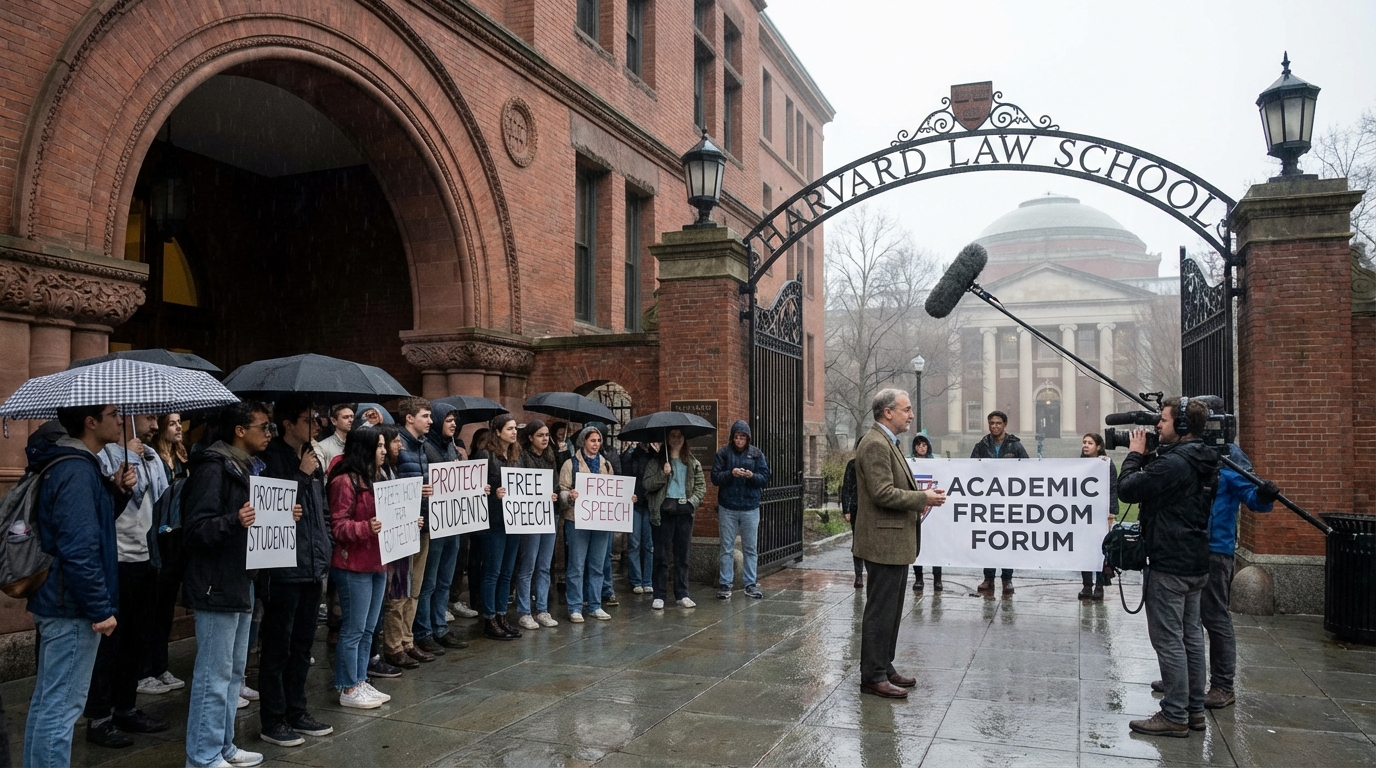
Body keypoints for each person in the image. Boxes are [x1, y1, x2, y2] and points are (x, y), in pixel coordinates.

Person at [182, 401, 301, 768]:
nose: (269, 434)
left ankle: (224, 746)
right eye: (263, 427)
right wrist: (235, 520)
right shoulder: (213, 469)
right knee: (213, 675)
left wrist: (283, 514)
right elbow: (197, 528)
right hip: (216, 583)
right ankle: (202, 756)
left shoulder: (246, 468)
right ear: (239, 430)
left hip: (240, 579)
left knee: (233, 673)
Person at [23, 404, 134, 767]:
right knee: (61, 708)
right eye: (114, 413)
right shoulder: (76, 470)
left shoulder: (77, 467)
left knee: (48, 704)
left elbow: (89, 530)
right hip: (70, 606)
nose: (121, 420)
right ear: (90, 422)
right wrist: (100, 609)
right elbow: (79, 548)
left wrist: (116, 492)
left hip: (61, 602)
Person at [1151, 418, 1276, 710]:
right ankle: (1183, 680)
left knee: (1214, 618)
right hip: (1187, 547)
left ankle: (1222, 684)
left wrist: (1264, 495)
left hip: (1215, 549)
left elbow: (1254, 499)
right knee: (1184, 621)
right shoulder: (1187, 452)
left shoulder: (1230, 457)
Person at [1118, 397, 1220, 738]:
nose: (1156, 426)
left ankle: (1174, 714)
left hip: (1169, 562)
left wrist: (1134, 456)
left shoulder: (1175, 464)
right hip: (1194, 559)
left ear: (1182, 426)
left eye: (1162, 421)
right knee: (1191, 636)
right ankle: (1193, 710)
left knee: (1169, 640)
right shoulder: (1204, 460)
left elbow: (1128, 490)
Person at [84, 413, 171, 748]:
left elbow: (160, 497)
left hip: (145, 557)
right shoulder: (103, 454)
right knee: (111, 644)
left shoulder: (150, 458)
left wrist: (144, 460)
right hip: (115, 559)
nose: (153, 426)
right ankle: (100, 717)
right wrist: (125, 460)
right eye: (148, 418)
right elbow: (107, 503)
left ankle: (126, 707)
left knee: (136, 638)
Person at [854, 389, 945, 700]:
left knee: (891, 611)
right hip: (883, 541)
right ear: (887, 412)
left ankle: (884, 665)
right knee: (880, 611)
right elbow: (882, 493)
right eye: (906, 410)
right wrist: (923, 498)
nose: (911, 415)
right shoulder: (875, 444)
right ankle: (873, 676)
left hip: (892, 541)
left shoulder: (887, 442)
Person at [256, 396, 334, 746]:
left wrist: (326, 543)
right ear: (288, 424)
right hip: (283, 567)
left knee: (303, 645)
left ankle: (297, 709)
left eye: (317, 418)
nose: (316, 425)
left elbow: (321, 510)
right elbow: (273, 507)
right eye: (309, 418)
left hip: (312, 563)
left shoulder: (312, 460)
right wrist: (300, 475)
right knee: (278, 647)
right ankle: (273, 718)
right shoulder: (270, 459)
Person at [328, 425, 393, 709]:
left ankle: (360, 678)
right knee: (354, 628)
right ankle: (348, 686)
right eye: (379, 446)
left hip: (377, 561)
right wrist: (367, 527)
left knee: (369, 628)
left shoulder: (376, 477)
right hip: (353, 563)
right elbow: (338, 525)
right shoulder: (345, 481)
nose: (384, 450)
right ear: (365, 448)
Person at [139, 412, 190, 695]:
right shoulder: (151, 459)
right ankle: (144, 668)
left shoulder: (182, 458)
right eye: (171, 423)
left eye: (178, 422)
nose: (177, 428)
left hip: (176, 539)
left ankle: (160, 665)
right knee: (151, 609)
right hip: (154, 537)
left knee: (166, 608)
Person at [378, 419, 431, 669]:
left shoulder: (394, 466)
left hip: (413, 529)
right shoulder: (383, 470)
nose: (400, 444)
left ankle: (407, 640)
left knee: (413, 589)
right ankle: (394, 645)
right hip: (395, 538)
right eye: (395, 441)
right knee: (397, 593)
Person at [414, 402, 467, 652]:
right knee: (429, 581)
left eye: (454, 420)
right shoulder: (426, 447)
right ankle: (424, 630)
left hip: (452, 523)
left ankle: (440, 626)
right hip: (435, 525)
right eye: (448, 420)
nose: (453, 424)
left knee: (445, 579)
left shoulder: (452, 448)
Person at [559, 426, 618, 621]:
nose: (596, 444)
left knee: (597, 565)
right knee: (576, 565)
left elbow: (612, 491)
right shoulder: (570, 464)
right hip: (577, 520)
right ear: (584, 441)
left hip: (600, 521)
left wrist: (626, 498)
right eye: (592, 440)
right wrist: (570, 496)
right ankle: (575, 606)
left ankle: (594, 604)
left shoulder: (606, 465)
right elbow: (562, 491)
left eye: (598, 441)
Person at [643, 429, 704, 610]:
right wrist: (663, 473)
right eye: (672, 436)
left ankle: (682, 593)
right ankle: (659, 594)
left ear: (684, 439)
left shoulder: (692, 462)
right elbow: (647, 484)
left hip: (684, 512)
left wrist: (692, 503)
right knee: (661, 555)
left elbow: (701, 487)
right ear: (667, 439)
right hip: (663, 512)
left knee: (682, 555)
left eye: (680, 436)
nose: (676, 439)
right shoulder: (656, 462)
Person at [710, 420, 771, 600]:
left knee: (750, 548)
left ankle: (750, 583)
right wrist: (731, 473)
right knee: (726, 548)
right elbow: (715, 477)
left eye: (742, 437)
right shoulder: (723, 453)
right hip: (727, 506)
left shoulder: (756, 454)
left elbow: (765, 477)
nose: (739, 440)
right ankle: (725, 584)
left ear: (747, 438)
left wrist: (751, 476)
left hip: (750, 507)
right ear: (732, 437)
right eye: (736, 437)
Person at [474, 414, 523, 638]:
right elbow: (475, 489)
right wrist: (494, 493)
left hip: (513, 521)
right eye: (510, 429)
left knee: (507, 572)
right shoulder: (485, 455)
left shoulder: (515, 454)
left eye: (515, 429)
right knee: (492, 571)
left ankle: (502, 614)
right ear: (497, 431)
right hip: (493, 521)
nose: (514, 432)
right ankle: (489, 618)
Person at [970, 411, 1028, 595]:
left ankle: (1007, 579)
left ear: (1005, 424)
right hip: (987, 502)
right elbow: (969, 469)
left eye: (998, 423)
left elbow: (1029, 468)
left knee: (1006, 540)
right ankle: (988, 578)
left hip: (1009, 501)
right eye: (991, 423)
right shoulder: (981, 446)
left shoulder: (1015, 446)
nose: (994, 426)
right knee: (988, 540)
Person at [513, 420, 562, 629]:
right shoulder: (522, 457)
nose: (544, 439)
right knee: (528, 566)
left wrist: (555, 495)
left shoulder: (551, 457)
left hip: (549, 515)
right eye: (540, 435)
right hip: (530, 518)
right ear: (531, 437)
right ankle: (524, 611)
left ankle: (542, 609)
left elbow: (557, 485)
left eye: (546, 435)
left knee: (544, 566)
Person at [1078, 433, 1118, 600]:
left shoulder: (1107, 465)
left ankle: (1100, 586)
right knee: (1084, 550)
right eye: (1084, 442)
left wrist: (1112, 511)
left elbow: (1112, 488)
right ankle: (1087, 585)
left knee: (1102, 550)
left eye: (1090, 443)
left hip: (1101, 513)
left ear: (1099, 446)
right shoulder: (1077, 465)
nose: (1086, 445)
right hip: (1082, 513)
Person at [619, 440, 658, 594]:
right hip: (634, 503)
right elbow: (625, 475)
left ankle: (648, 580)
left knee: (649, 545)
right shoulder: (630, 455)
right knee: (634, 543)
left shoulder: (654, 456)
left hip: (649, 504)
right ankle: (636, 580)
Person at [909, 434, 941, 593]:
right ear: (914, 447)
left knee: (935, 546)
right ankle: (919, 578)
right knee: (917, 546)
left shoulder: (936, 464)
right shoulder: (908, 463)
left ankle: (938, 579)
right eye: (918, 445)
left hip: (934, 514)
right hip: (916, 511)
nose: (921, 448)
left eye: (924, 445)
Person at [841, 457, 862, 588]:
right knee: (858, 541)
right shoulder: (853, 464)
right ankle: (858, 575)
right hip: (856, 507)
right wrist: (846, 509)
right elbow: (847, 487)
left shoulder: (876, 462)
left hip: (873, 509)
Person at [316, 404, 355, 468]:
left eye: (352, 417)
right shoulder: (322, 447)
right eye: (345, 417)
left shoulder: (358, 444)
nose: (351, 420)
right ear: (334, 421)